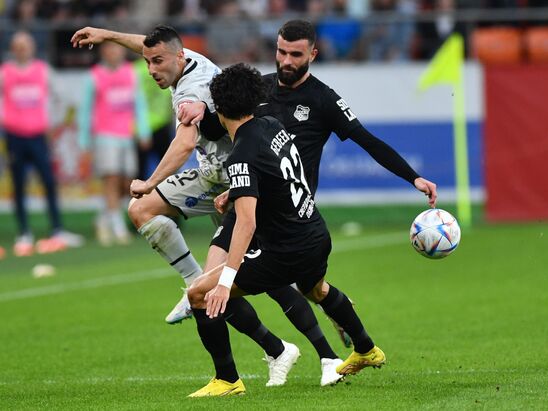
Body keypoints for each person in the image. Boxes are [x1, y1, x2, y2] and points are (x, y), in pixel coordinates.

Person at [70, 24, 345, 387]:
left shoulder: (191, 92)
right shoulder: (183, 59)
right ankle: (272, 347)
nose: (151, 69)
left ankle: (322, 355)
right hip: (216, 176)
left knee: (255, 279)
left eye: (157, 63)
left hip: (234, 181)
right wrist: (107, 35)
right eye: (149, 62)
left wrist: (150, 181)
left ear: (178, 58)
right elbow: (152, 47)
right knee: (152, 222)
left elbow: (184, 144)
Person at [186, 62, 386, 397]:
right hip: (315, 233)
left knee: (199, 294)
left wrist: (224, 282)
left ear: (219, 109)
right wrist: (235, 190)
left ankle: (227, 380)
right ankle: (366, 349)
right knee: (316, 290)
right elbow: (280, 174)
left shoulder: (241, 155)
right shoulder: (271, 124)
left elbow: (246, 223)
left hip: (284, 251)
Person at [0, 31, 84, 257]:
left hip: (38, 136)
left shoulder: (43, 71)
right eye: (18, 46)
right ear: (12, 49)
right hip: (15, 137)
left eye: (25, 45)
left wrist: (55, 124)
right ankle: (24, 233)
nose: (22, 50)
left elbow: (65, 98)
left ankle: (57, 229)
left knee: (48, 182)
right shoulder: (5, 73)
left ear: (32, 48)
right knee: (18, 185)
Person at [78, 42, 151, 245]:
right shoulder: (94, 76)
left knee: (126, 182)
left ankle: (103, 218)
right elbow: (85, 110)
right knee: (110, 178)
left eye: (116, 49)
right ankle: (118, 227)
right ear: (103, 53)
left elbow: (139, 102)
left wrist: (143, 130)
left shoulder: (130, 73)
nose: (113, 53)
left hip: (126, 135)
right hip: (104, 135)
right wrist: (84, 141)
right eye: (109, 49)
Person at [133, 58, 173, 182]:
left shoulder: (133, 68)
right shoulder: (164, 64)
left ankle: (138, 200)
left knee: (140, 173)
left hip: (145, 126)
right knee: (167, 170)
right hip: (152, 125)